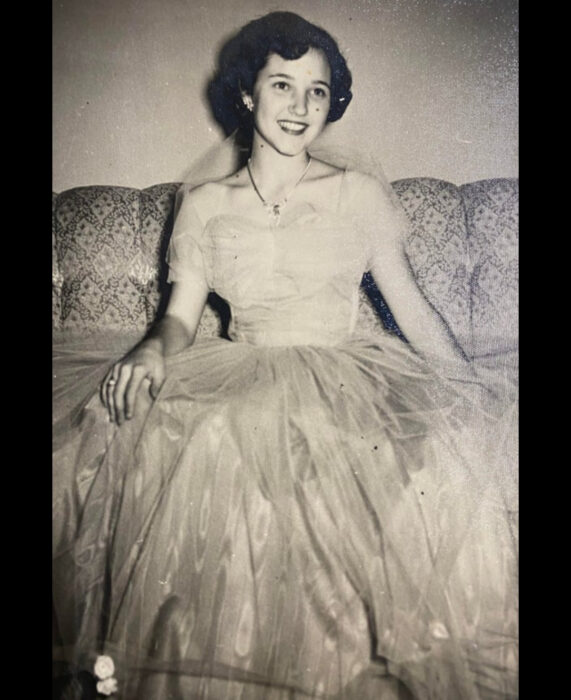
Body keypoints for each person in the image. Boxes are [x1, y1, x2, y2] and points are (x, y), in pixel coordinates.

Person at [53, 11, 517, 700]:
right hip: (242, 367)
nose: (300, 107)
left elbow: (410, 304)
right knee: (195, 442)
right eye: (281, 85)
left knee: (390, 454)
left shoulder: (355, 193)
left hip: (344, 369)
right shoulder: (205, 203)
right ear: (246, 93)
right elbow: (179, 315)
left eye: (318, 91)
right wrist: (151, 352)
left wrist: (465, 380)